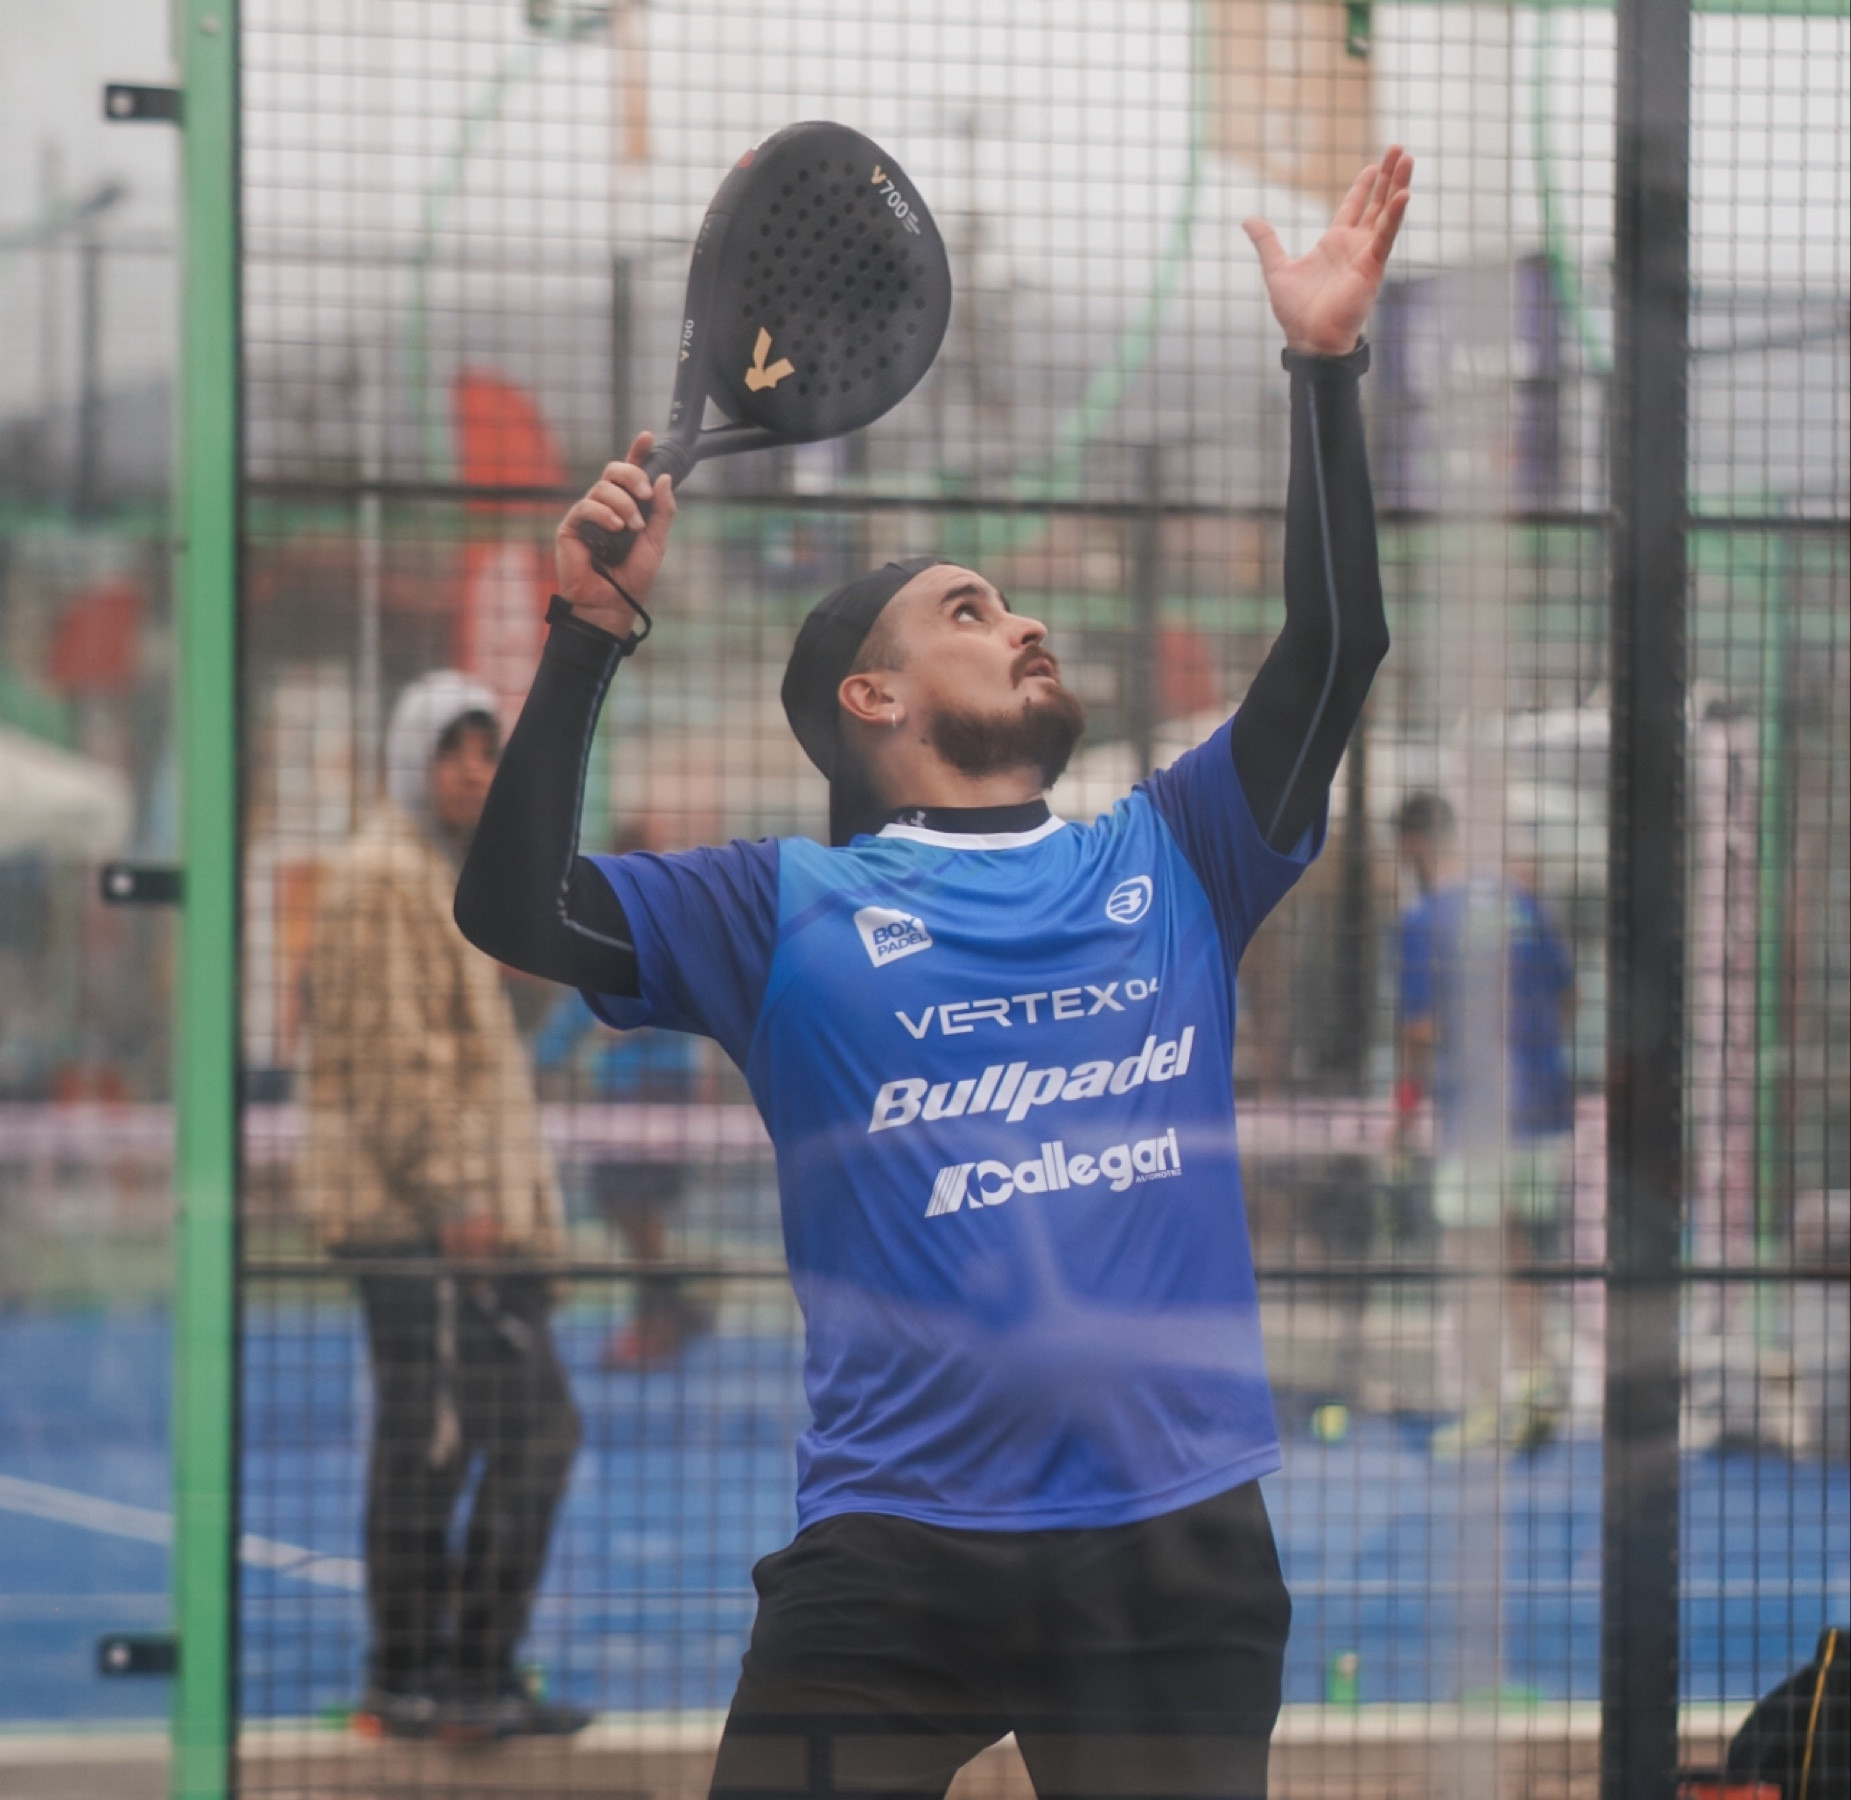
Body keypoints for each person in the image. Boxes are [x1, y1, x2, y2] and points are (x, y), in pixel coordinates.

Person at [457, 150, 1412, 1796]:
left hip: (1171, 1545)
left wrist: (1321, 365)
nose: (1021, 622)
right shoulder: (780, 907)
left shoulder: (1174, 852)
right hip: (896, 1554)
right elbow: (519, 907)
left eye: (1012, 603)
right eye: (971, 610)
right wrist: (589, 630)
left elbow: (1335, 653)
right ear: (871, 700)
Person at [299, 672, 588, 1740]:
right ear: (409, 762)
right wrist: (458, 1196)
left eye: (485, 750)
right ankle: (427, 1674)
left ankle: (458, 1674)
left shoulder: (435, 873)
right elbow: (395, 1064)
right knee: (471, 1437)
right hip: (424, 1227)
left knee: (472, 1436)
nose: (473, 770)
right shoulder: (385, 876)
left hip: (462, 1224)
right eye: (451, 750)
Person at [1393, 790, 1577, 1453]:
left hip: (1475, 1113)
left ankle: (1484, 1402)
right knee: (1518, 1247)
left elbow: (1419, 1029)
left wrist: (1405, 1113)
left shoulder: (1424, 919)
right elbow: (1568, 996)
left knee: (1471, 1255)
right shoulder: (1517, 900)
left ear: (1414, 846)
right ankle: (1535, 1382)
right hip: (1541, 1105)